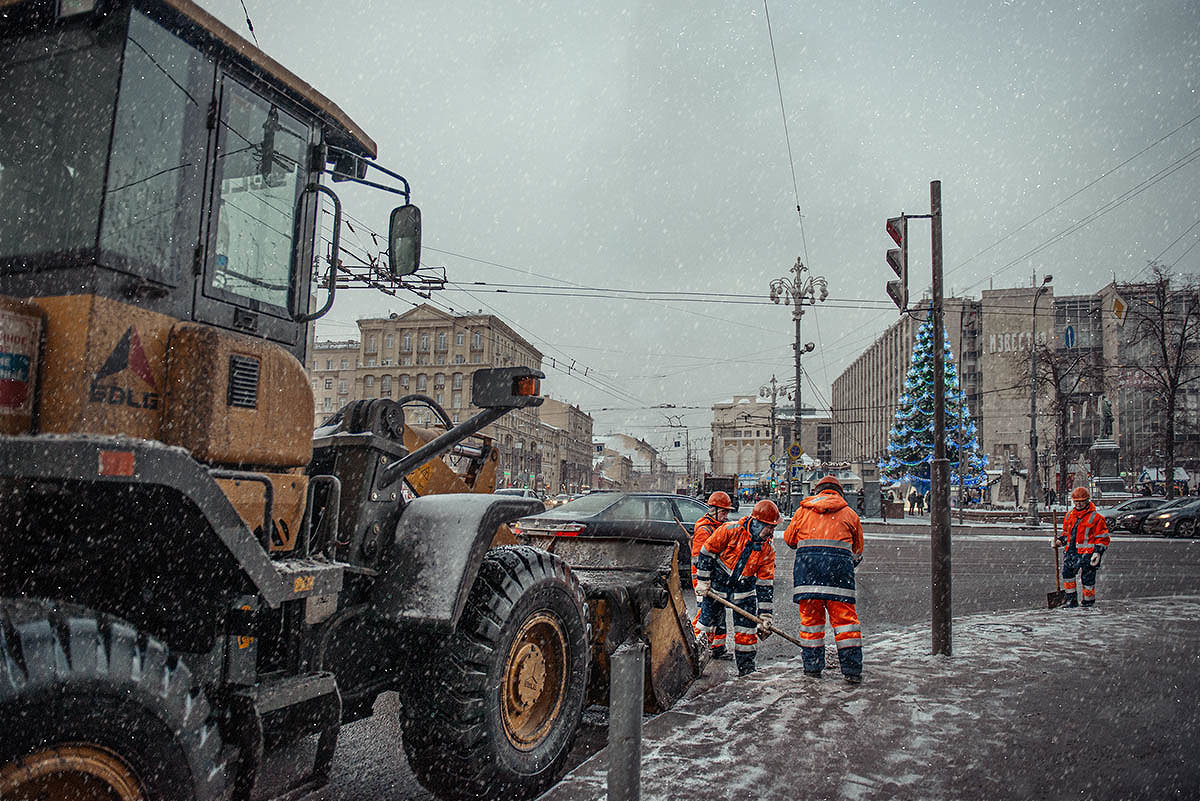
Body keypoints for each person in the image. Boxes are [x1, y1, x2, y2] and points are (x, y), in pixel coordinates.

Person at [783, 475, 865, 684]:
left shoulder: (803, 511)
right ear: (840, 492)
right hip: (839, 578)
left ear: (817, 491)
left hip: (807, 576)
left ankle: (812, 667)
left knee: (811, 623)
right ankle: (851, 670)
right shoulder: (850, 514)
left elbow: (789, 539)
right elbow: (857, 551)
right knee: (846, 624)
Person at [694, 499, 779, 676]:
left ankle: (746, 671)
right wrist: (703, 581)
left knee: (746, 634)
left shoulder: (767, 549)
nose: (771, 531)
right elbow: (706, 552)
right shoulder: (730, 530)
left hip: (744, 593)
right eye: (769, 526)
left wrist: (765, 616)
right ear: (756, 523)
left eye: (773, 527)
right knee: (705, 628)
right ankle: (695, 663)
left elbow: (765, 584)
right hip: (716, 588)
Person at [690, 490, 735, 659]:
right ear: (714, 510)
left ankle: (718, 648)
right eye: (723, 512)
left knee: (719, 613)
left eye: (727, 512)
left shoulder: (719, 527)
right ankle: (694, 644)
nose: (726, 515)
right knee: (705, 615)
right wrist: (704, 582)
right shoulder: (704, 530)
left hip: (716, 579)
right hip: (703, 580)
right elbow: (699, 560)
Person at [1055, 486, 1110, 608]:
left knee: (1088, 580)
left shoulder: (1096, 518)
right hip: (1071, 553)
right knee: (1067, 575)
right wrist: (1060, 541)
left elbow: (1102, 537)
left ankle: (1088, 602)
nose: (1078, 504)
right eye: (1076, 501)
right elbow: (1067, 533)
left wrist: (1098, 552)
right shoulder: (1069, 516)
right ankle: (1071, 600)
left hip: (1088, 554)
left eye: (1081, 501)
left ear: (1087, 501)